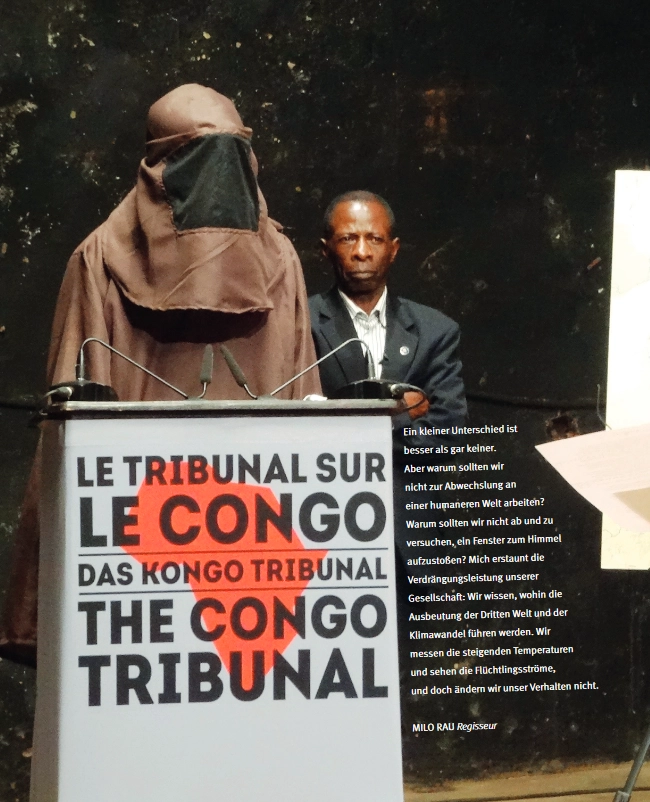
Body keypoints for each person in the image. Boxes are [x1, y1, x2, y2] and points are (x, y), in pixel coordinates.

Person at [0, 84, 320, 665]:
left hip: (244, 530)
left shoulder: (277, 261)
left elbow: (308, 401)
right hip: (148, 537)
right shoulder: (102, 260)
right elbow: (74, 414)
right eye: (202, 161)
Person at [309, 190, 466, 442]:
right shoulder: (303, 324)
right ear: (326, 250)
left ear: (394, 249)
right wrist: (400, 413)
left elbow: (447, 433)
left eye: (375, 239)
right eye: (348, 239)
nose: (362, 252)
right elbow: (296, 426)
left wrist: (354, 433)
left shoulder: (436, 331)